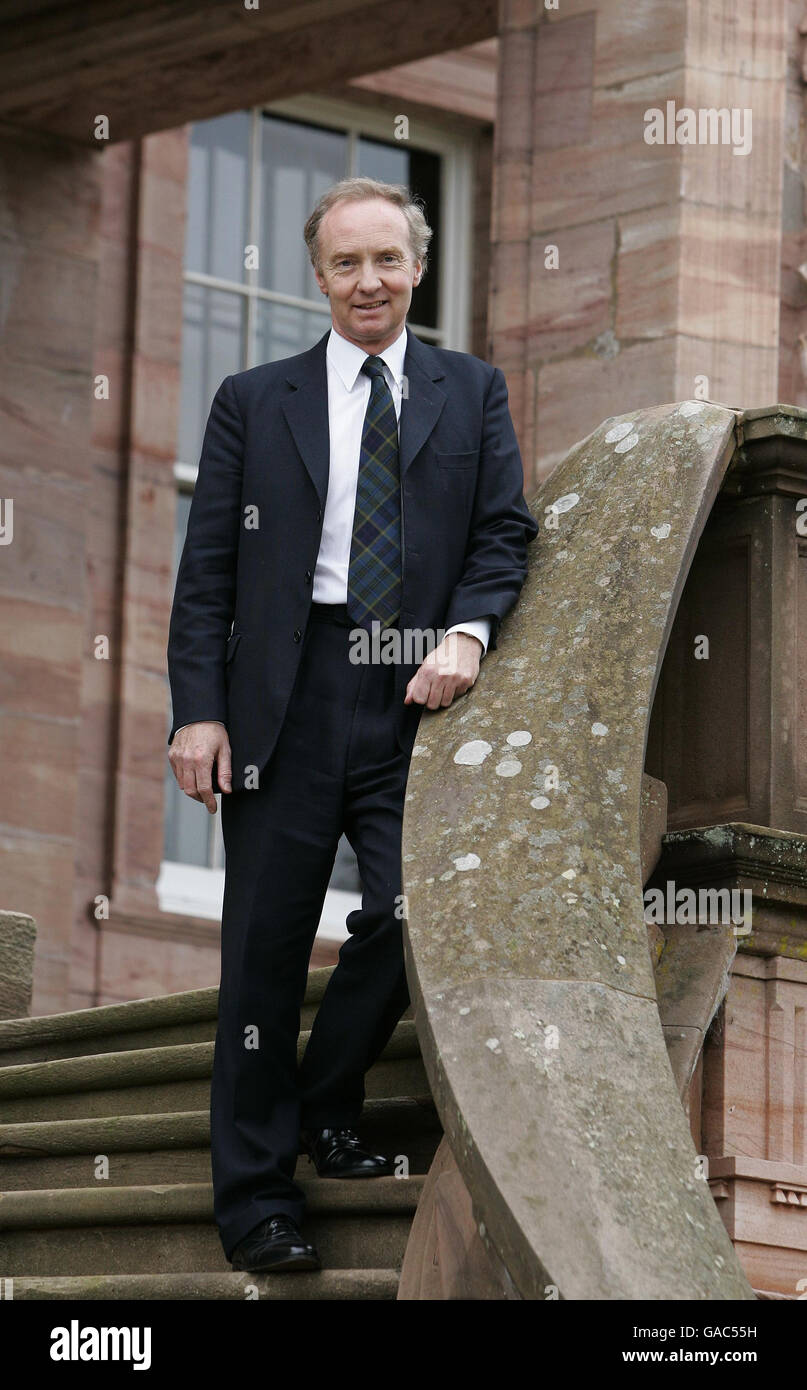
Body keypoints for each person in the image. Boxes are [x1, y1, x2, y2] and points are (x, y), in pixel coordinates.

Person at [166, 176, 539, 1274]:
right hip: (285, 694)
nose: (367, 280)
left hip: (420, 694)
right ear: (317, 275)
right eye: (345, 262)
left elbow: (505, 534)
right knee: (262, 960)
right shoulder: (253, 397)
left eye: (387, 259)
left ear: (418, 268)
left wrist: (469, 636)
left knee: (417, 914)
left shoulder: (471, 391)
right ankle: (257, 1202)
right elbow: (208, 577)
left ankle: (326, 1102)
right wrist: (198, 711)